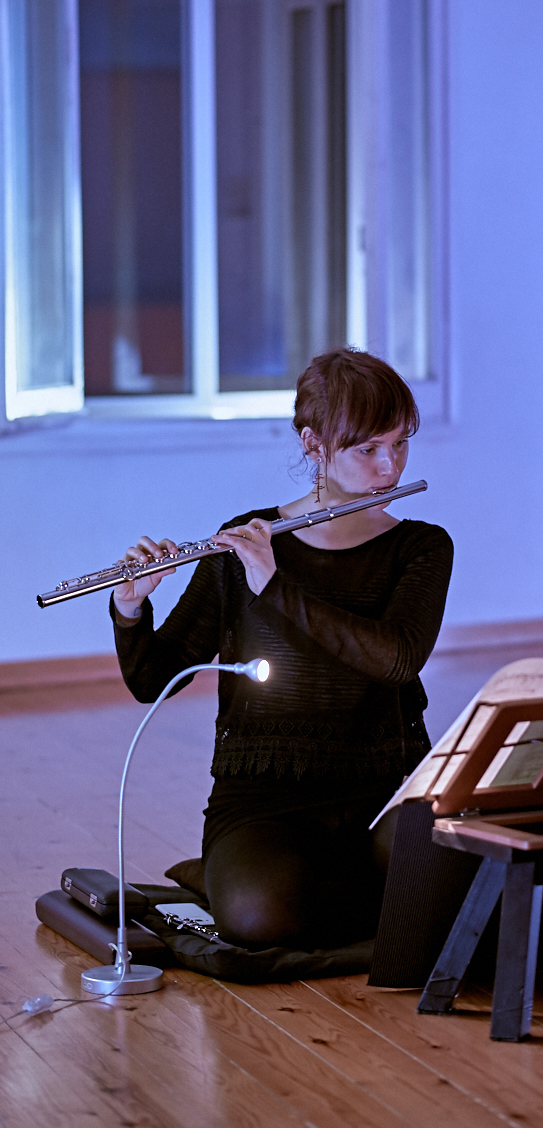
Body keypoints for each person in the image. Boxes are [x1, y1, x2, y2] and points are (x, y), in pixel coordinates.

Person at [110, 348, 453, 949]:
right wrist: (131, 607)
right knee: (258, 918)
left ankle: (306, 885)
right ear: (313, 444)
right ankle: (267, 880)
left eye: (400, 443)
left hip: (384, 788)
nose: (390, 466)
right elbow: (152, 680)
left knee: (454, 865)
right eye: (367, 449)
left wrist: (276, 588)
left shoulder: (421, 547)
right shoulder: (246, 544)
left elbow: (396, 658)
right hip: (264, 796)